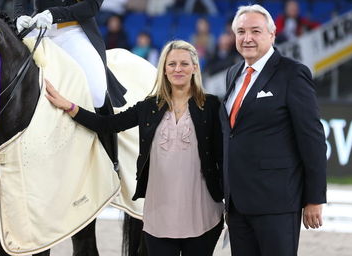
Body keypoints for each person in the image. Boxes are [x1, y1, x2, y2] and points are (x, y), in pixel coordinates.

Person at [44, 40, 224, 255]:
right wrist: (70, 106)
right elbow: (107, 125)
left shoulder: (212, 106)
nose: (178, 69)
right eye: (172, 64)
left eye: (184, 64)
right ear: (164, 69)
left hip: (202, 214)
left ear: (195, 67)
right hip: (159, 216)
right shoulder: (149, 107)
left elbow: (223, 155)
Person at [221, 4, 327, 256]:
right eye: (241, 32)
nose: (247, 38)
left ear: (272, 34)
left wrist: (314, 198)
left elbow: (312, 139)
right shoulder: (233, 73)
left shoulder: (293, 73)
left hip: (277, 202)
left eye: (255, 31)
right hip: (237, 204)